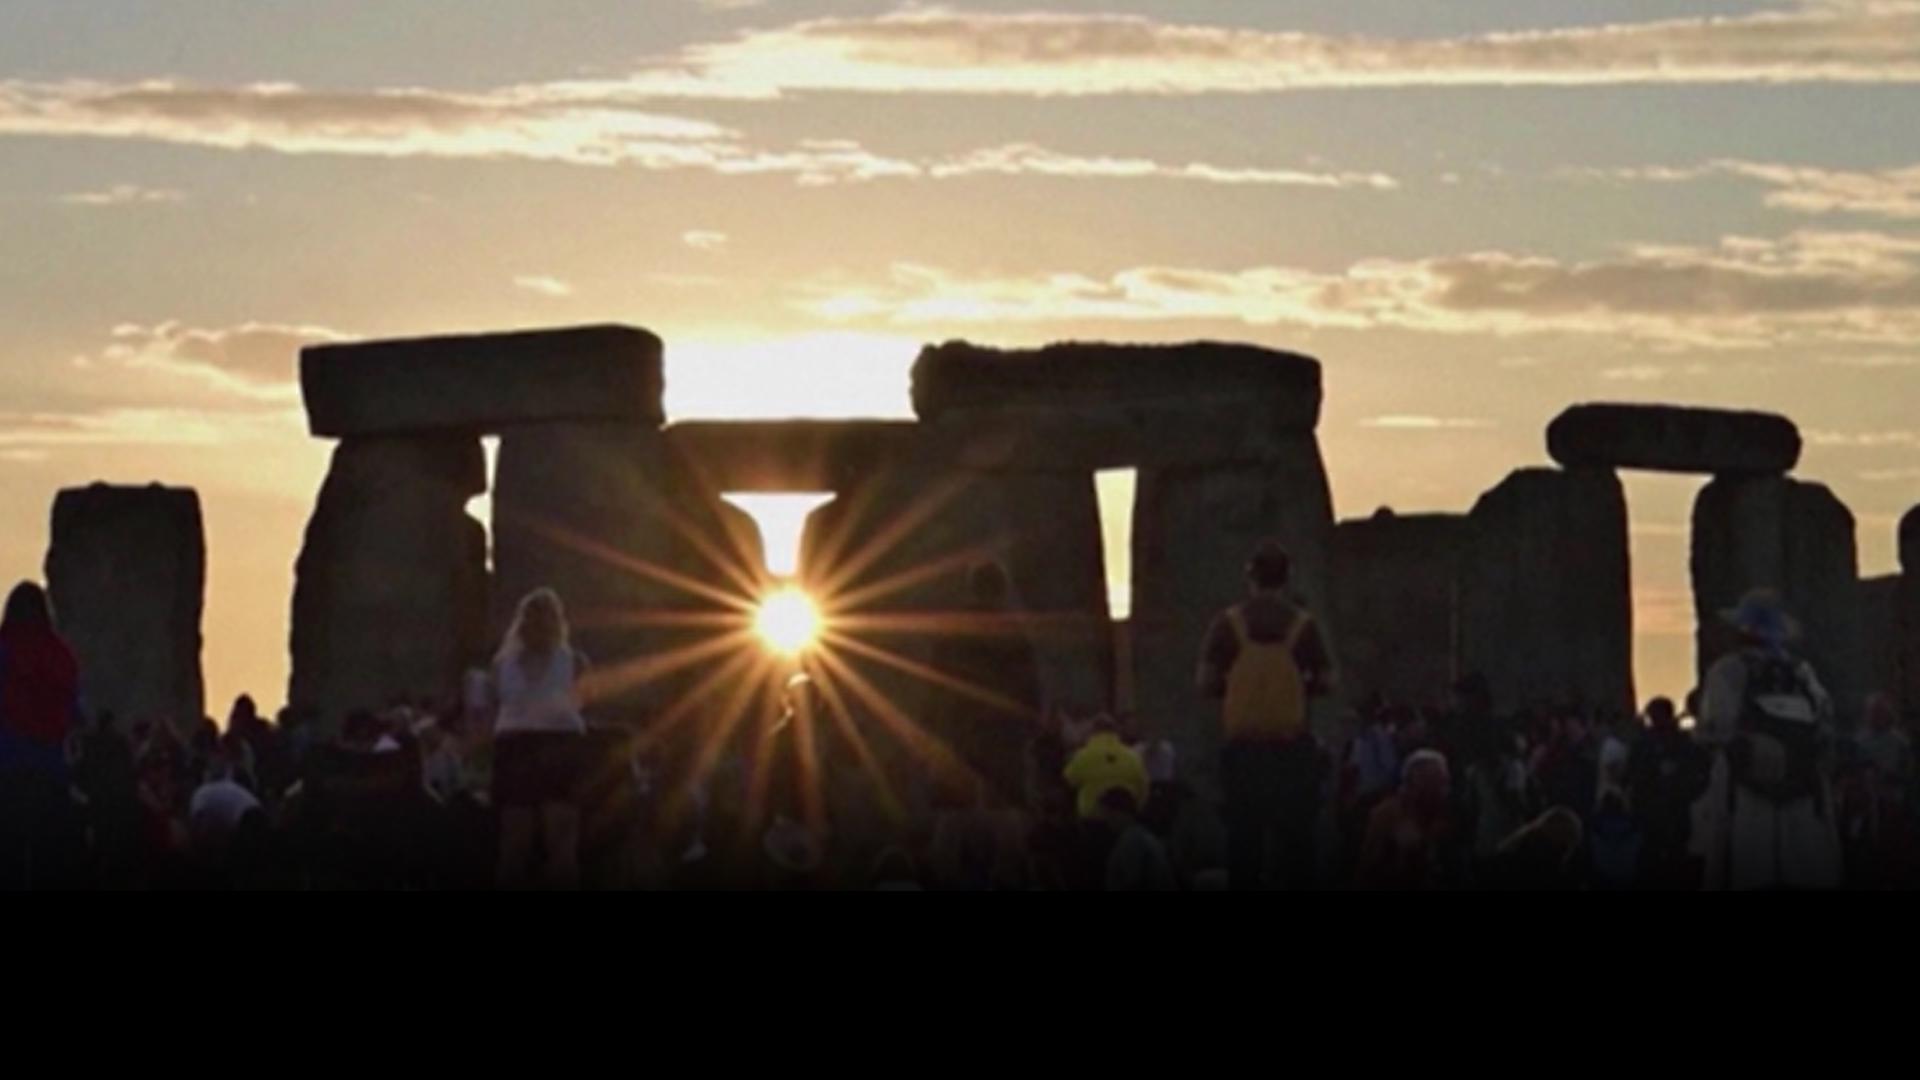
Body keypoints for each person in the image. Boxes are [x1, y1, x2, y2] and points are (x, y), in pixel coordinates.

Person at [1196, 540, 1334, 891]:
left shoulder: (1228, 625)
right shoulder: (1304, 625)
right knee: (1297, 848)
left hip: (1244, 753)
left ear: (1250, 577)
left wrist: (1233, 688)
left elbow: (1205, 681)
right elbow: (1328, 680)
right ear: (1287, 579)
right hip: (1291, 751)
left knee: (1244, 847)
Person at [1692, 589, 1842, 891]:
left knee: (1740, 869)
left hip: (1745, 790)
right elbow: (1825, 724)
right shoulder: (1802, 673)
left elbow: (1715, 726)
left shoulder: (1728, 670)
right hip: (1802, 789)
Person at [486, 588, 591, 889]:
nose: (540, 625)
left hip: (559, 747)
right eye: (534, 617)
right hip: (516, 748)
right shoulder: (501, 665)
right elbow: (492, 706)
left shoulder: (575, 662)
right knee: (514, 844)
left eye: (547, 617)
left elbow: (585, 700)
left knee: (561, 842)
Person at [923, 562, 1044, 815]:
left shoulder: (951, 629)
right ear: (1002, 589)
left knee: (951, 811)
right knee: (1007, 806)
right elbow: (1028, 683)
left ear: (972, 587)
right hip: (1002, 730)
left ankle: (948, 855)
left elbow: (935, 679)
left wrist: (930, 723)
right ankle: (1007, 854)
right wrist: (1033, 720)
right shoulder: (1014, 632)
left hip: (957, 727)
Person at [0, 582, 84, 889]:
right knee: (47, 868)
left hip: (6, 773)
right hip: (51, 776)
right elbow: (75, 713)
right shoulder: (62, 656)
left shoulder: (4, 651)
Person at [1626, 697, 1709, 890]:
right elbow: (1632, 777)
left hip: (1672, 813)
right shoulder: (1644, 745)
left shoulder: (1683, 744)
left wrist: (1687, 793)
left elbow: (1702, 773)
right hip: (1655, 815)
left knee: (1671, 864)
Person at [1356, 750, 1460, 890]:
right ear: (1416, 782)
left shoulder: (1443, 814)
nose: (1444, 790)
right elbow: (1369, 869)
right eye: (1437, 782)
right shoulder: (1387, 814)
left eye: (1445, 782)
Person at [1062, 715, 1149, 821]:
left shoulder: (1084, 756)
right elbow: (1143, 788)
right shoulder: (1133, 757)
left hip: (1093, 818)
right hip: (1125, 820)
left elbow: (1068, 781)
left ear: (1092, 732)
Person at [1101, 787, 1177, 891]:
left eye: (1109, 814)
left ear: (1119, 813)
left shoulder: (1132, 841)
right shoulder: (1139, 835)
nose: (1106, 820)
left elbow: (1131, 884)